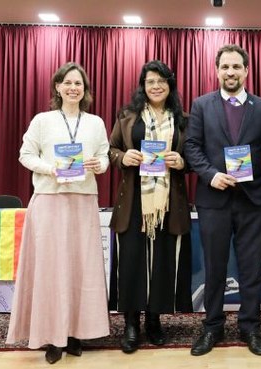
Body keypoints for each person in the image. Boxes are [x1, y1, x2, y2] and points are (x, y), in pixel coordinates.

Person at [6, 62, 111, 364]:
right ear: (57, 87)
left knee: (80, 268)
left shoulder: (95, 123)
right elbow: (25, 155)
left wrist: (99, 165)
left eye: (78, 83)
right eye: (67, 83)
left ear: (85, 90)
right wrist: (51, 168)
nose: (73, 88)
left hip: (82, 199)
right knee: (51, 271)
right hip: (50, 199)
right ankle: (52, 336)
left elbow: (104, 155)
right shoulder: (43, 120)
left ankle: (77, 332)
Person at [184, 44, 261, 357]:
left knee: (252, 269)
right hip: (214, 198)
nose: (231, 72)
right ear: (217, 70)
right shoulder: (201, 105)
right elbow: (192, 147)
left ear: (247, 71)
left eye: (237, 67)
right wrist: (210, 175)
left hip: (253, 201)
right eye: (225, 67)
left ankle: (250, 327)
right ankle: (213, 326)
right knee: (215, 268)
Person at [107, 60, 193, 354]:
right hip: (134, 201)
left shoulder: (184, 119)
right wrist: (123, 158)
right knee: (132, 261)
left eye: (161, 81)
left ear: (170, 85)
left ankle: (154, 320)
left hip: (170, 202)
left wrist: (182, 162)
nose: (156, 86)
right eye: (150, 81)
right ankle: (131, 324)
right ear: (143, 86)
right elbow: (111, 149)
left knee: (162, 262)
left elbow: (194, 156)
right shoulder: (128, 116)